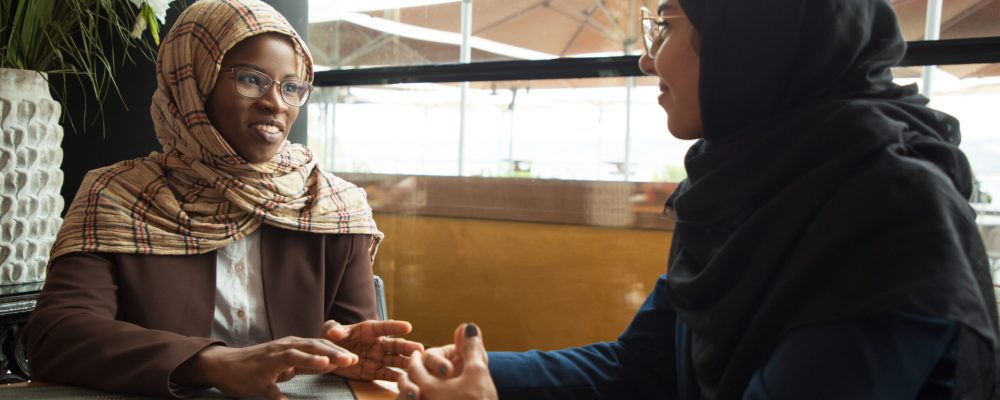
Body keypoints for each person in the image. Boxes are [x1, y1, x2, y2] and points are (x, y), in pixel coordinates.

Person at [396, 0, 1000, 398]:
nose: (646, 55)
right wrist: (445, 366)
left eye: (666, 25)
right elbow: (642, 367)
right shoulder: (744, 183)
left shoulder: (892, 214)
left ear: (749, 36)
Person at [24, 0, 422, 398]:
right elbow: (57, 336)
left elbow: (352, 349)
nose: (275, 103)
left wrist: (351, 356)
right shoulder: (116, 194)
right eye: (251, 79)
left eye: (291, 87)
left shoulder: (331, 205)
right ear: (194, 85)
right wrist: (212, 363)